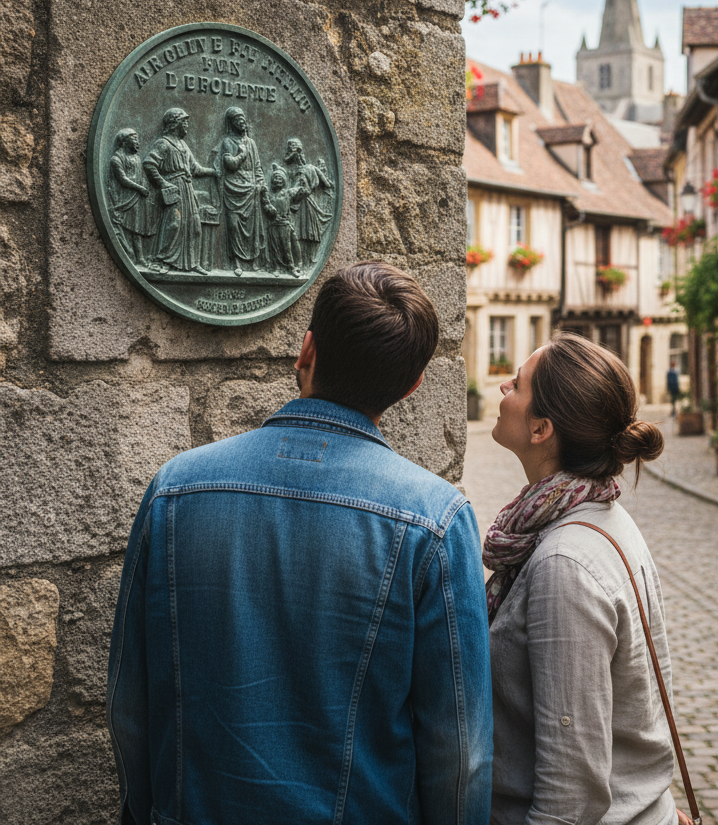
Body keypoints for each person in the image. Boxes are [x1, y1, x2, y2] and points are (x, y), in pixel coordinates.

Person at [107, 262, 493, 825]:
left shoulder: (175, 489)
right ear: (412, 386)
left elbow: (129, 707)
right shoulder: (435, 520)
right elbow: (461, 752)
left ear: (306, 350)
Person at [485, 332, 693, 825]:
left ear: (541, 430)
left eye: (515, 385)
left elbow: (570, 797)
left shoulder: (564, 564)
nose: (501, 390)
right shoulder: (602, 514)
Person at [144, 107, 217, 273]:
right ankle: (161, 260)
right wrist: (163, 183)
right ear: (175, 123)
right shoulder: (163, 143)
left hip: (187, 189)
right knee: (174, 224)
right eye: (184, 122)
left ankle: (192, 262)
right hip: (174, 187)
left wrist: (214, 172)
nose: (187, 126)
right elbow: (149, 164)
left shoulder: (183, 145)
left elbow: (195, 169)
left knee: (195, 226)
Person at [217, 106, 269, 275]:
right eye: (238, 120)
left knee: (253, 228)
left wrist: (261, 184)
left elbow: (258, 167)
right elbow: (229, 165)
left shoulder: (251, 143)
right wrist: (241, 154)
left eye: (243, 119)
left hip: (251, 188)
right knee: (233, 226)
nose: (242, 122)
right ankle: (236, 262)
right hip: (233, 188)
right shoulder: (227, 142)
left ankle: (254, 262)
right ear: (231, 123)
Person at [108, 127, 154, 266]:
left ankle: (139, 256)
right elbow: (122, 179)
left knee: (137, 228)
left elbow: (141, 175)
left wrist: (145, 186)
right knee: (131, 228)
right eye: (134, 138)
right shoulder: (116, 159)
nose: (137, 141)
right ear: (124, 141)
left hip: (138, 197)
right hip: (125, 199)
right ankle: (133, 255)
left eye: (137, 138)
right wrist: (139, 188)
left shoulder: (136, 157)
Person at [284, 136, 333, 266]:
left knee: (307, 232)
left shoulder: (310, 168)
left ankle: (308, 261)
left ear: (297, 152)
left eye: (290, 150)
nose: (287, 153)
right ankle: (299, 262)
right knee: (296, 233)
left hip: (306, 203)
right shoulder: (291, 171)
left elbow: (326, 183)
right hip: (295, 203)